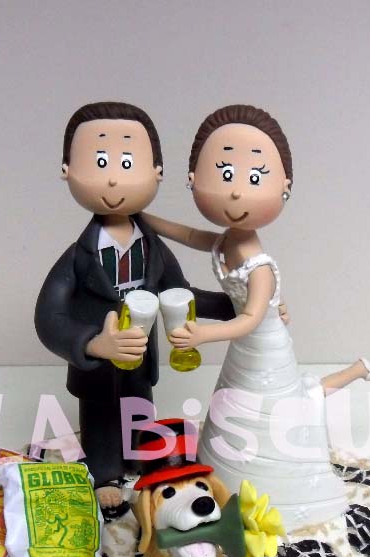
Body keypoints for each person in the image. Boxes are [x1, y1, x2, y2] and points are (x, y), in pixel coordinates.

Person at [141, 105, 370, 532]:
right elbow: (192, 236)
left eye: (254, 179)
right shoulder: (227, 240)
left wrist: (203, 335)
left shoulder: (259, 266)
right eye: (225, 175)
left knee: (288, 405)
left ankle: (357, 370)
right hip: (244, 347)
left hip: (262, 343)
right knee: (259, 403)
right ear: (193, 178)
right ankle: (355, 371)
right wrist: (147, 219)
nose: (236, 193)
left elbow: (250, 318)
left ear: (284, 187)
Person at [34, 102, 238, 510]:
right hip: (98, 366)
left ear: (157, 172)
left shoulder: (152, 249)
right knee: (101, 417)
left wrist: (239, 306)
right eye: (99, 163)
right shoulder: (78, 257)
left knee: (140, 410)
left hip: (140, 359)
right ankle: (105, 472)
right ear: (67, 170)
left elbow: (181, 293)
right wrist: (93, 343)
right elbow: (48, 316)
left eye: (127, 163)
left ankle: (143, 464)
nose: (113, 178)